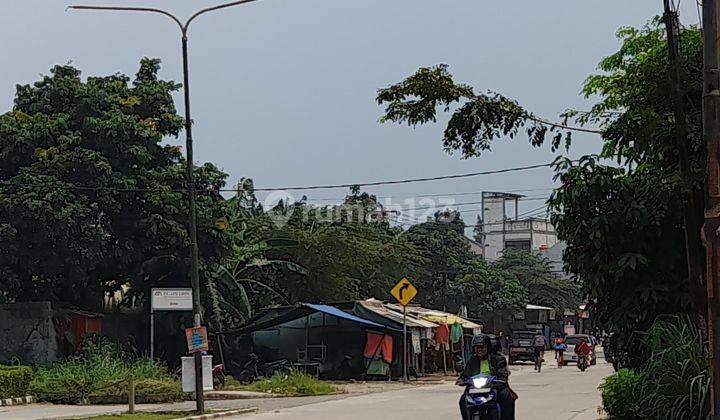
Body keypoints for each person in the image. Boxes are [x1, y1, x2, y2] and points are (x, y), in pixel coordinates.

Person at [458, 334, 515, 420]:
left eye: (482, 347)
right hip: (475, 388)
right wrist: (461, 380)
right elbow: (465, 375)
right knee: (463, 400)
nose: (479, 349)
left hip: (495, 387)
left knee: (505, 396)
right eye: (477, 347)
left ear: (488, 347)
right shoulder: (472, 361)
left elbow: (503, 375)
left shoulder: (499, 359)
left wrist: (500, 380)